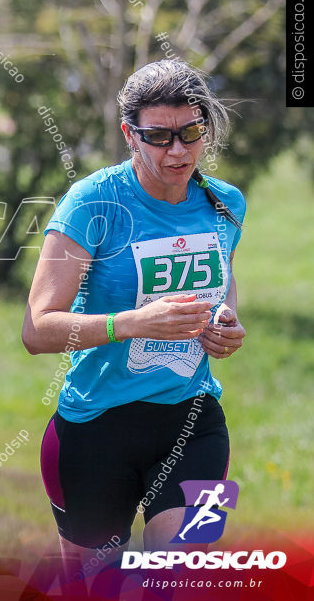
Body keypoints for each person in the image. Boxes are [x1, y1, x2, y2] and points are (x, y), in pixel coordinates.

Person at [22, 59, 246, 579]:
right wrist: (132, 323)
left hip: (194, 422)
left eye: (192, 133)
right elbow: (37, 329)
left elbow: (222, 282)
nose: (178, 151)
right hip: (95, 429)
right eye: (160, 137)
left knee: (181, 579)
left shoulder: (224, 203)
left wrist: (226, 322)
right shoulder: (93, 201)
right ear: (129, 133)